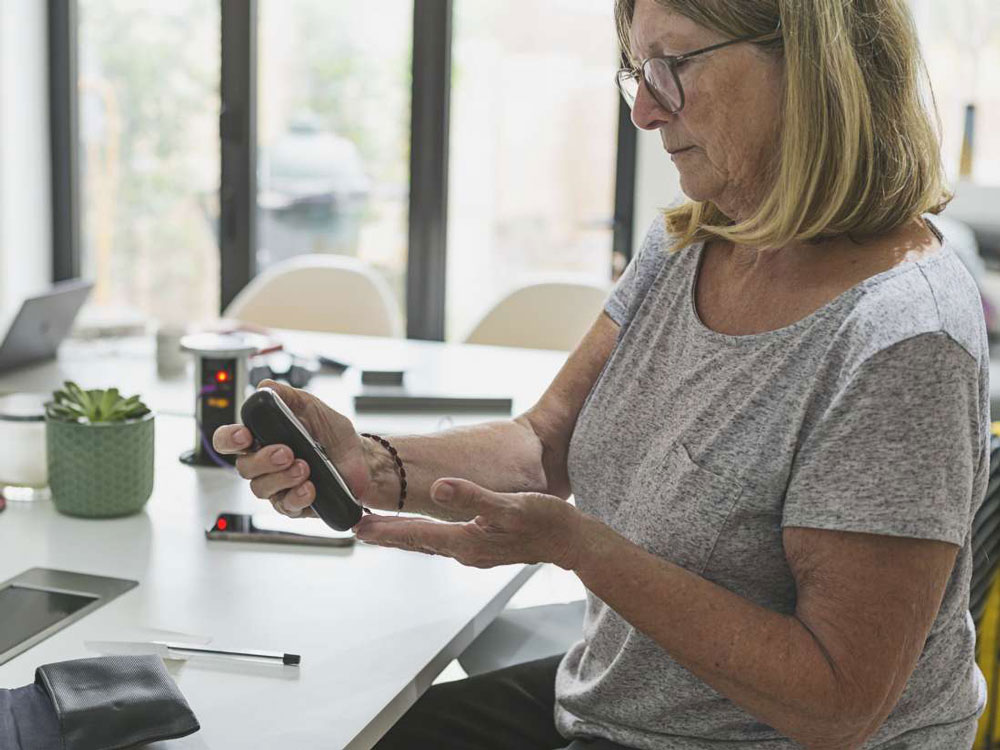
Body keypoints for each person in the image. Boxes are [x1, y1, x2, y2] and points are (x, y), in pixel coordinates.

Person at [213, 0, 990, 747]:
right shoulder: (691, 243)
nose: (645, 112)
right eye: (638, 73)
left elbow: (836, 706)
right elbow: (545, 447)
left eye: (672, 65)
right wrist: (370, 463)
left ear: (813, 64)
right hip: (618, 708)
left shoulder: (904, 340)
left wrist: (586, 550)